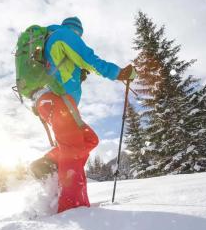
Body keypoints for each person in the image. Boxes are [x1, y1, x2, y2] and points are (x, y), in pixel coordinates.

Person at [30, 16, 136, 213]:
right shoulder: (64, 35)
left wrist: (77, 74)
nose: (79, 37)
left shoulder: (52, 39)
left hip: (53, 101)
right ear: (77, 31)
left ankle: (48, 163)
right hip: (57, 100)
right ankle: (73, 208)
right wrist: (118, 73)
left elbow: (58, 68)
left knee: (89, 139)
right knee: (74, 147)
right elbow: (89, 59)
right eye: (79, 34)